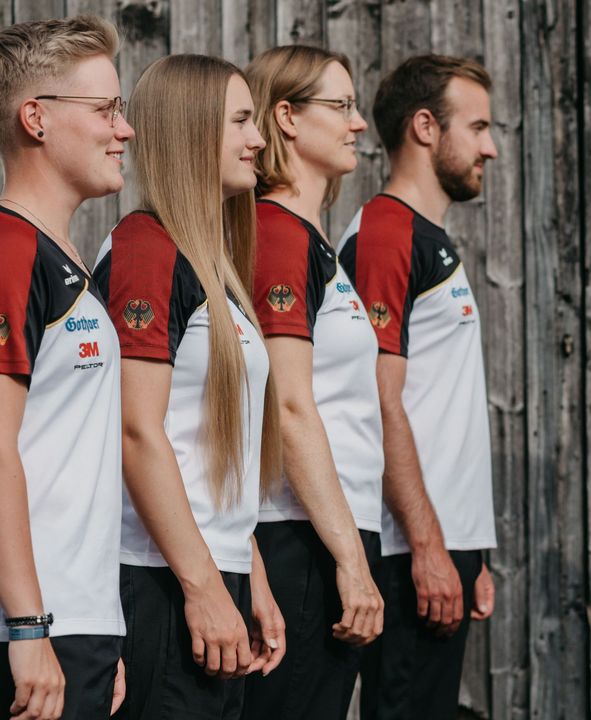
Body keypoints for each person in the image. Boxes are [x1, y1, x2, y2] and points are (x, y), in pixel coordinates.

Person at [0, 16, 131, 720]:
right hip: (7, 627)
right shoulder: (2, 253)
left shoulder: (55, 256)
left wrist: (99, 626)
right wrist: (29, 627)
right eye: (106, 109)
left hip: (69, 622)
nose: (123, 130)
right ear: (36, 118)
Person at [93, 54, 284, 720]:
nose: (257, 140)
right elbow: (136, 431)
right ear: (191, 130)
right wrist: (203, 588)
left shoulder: (208, 264)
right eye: (239, 121)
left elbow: (207, 442)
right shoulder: (146, 250)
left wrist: (247, 570)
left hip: (208, 570)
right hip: (160, 581)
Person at [337, 54, 498, 719]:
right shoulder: (384, 235)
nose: (490, 146)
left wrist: (471, 550)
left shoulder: (427, 239)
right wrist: (429, 548)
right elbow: (379, 400)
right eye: (479, 126)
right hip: (408, 554)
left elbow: (442, 405)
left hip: (442, 545)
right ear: (425, 128)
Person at [241, 45, 385, 720]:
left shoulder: (310, 241)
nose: (358, 124)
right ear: (288, 118)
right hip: (299, 537)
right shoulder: (277, 235)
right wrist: (349, 561)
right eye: (342, 106)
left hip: (330, 531)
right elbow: (290, 406)